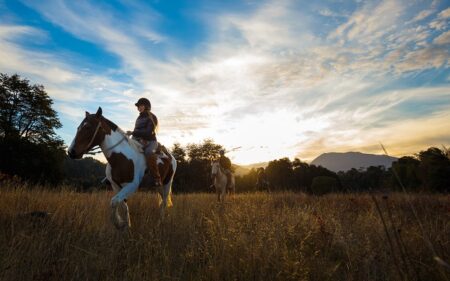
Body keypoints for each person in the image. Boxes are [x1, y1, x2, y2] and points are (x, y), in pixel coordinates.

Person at [126, 97, 162, 186]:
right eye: (138, 106)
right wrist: (130, 137)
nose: (139, 108)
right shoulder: (138, 118)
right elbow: (136, 131)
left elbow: (149, 132)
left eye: (140, 106)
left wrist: (133, 132)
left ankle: (157, 178)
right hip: (139, 140)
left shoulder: (152, 117)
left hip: (151, 141)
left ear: (146, 106)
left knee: (148, 152)